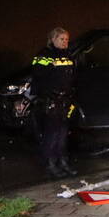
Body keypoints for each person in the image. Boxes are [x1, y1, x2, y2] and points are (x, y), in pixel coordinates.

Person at [31, 27, 77, 178]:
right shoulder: (44, 55)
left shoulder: (68, 55)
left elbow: (72, 77)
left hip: (65, 100)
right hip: (50, 100)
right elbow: (38, 75)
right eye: (61, 39)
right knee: (52, 134)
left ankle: (63, 162)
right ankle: (50, 164)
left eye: (66, 39)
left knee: (63, 134)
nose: (65, 42)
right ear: (52, 39)